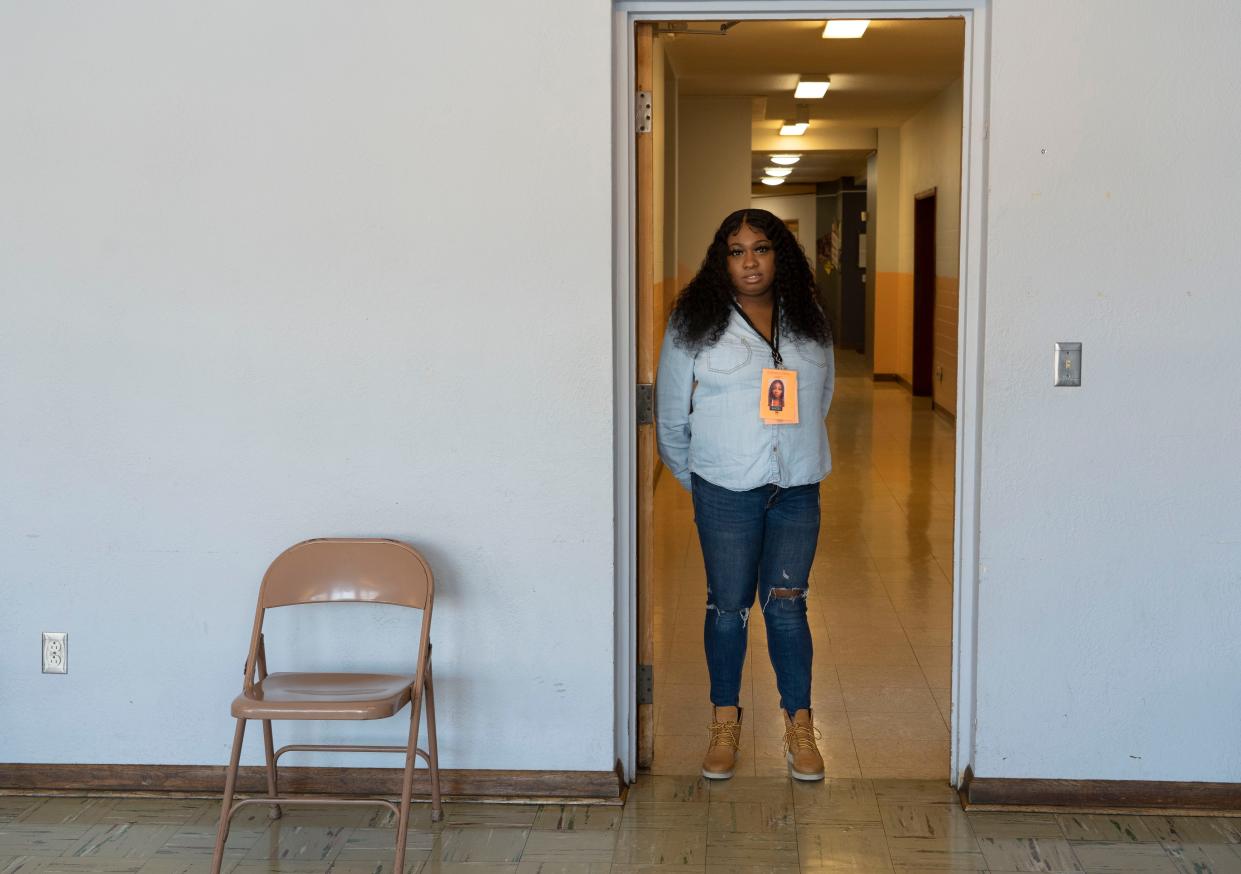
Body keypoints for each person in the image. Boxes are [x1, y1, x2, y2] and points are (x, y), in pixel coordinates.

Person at [655, 208, 834, 781]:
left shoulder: (808, 319)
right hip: (725, 489)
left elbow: (821, 396)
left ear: (780, 253)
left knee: (787, 605)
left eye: (761, 247)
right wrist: (703, 480)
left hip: (797, 488)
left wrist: (788, 452)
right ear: (722, 259)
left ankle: (799, 727)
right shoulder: (693, 321)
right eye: (737, 251)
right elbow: (669, 417)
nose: (750, 261)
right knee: (728, 607)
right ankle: (724, 722)